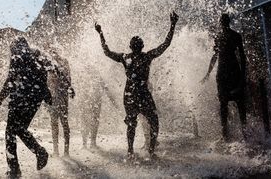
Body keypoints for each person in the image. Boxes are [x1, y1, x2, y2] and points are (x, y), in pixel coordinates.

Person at [95, 12, 179, 158]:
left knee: (131, 123)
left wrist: (100, 33)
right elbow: (165, 45)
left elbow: (106, 52)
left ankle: (130, 151)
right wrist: (172, 25)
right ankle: (151, 151)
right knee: (154, 122)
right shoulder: (147, 57)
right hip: (143, 93)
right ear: (142, 46)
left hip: (129, 95)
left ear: (130, 46)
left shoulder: (125, 57)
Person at [0, 37, 56, 177]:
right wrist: (60, 88)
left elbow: (10, 80)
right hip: (35, 99)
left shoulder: (17, 55)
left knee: (10, 131)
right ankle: (39, 153)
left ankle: (15, 168)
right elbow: (53, 68)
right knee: (20, 129)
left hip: (21, 97)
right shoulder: (37, 53)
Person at [202, 14, 247, 141]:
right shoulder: (228, 36)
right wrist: (208, 73)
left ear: (222, 23)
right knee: (233, 103)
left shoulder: (229, 36)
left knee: (228, 103)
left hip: (227, 71)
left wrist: (208, 73)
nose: (223, 24)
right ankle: (236, 132)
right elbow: (216, 56)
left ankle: (227, 133)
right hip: (229, 71)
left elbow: (216, 56)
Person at [47, 50, 75, 156]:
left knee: (59, 123)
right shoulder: (57, 62)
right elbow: (68, 79)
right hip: (57, 96)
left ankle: (61, 151)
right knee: (60, 122)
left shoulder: (59, 62)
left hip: (58, 96)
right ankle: (60, 151)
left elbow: (68, 79)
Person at [80, 73, 117, 149]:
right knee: (90, 120)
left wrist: (113, 100)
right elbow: (105, 88)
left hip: (92, 100)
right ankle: (88, 143)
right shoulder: (86, 75)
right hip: (89, 100)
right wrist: (113, 101)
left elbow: (105, 88)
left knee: (90, 120)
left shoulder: (90, 75)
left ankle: (89, 143)